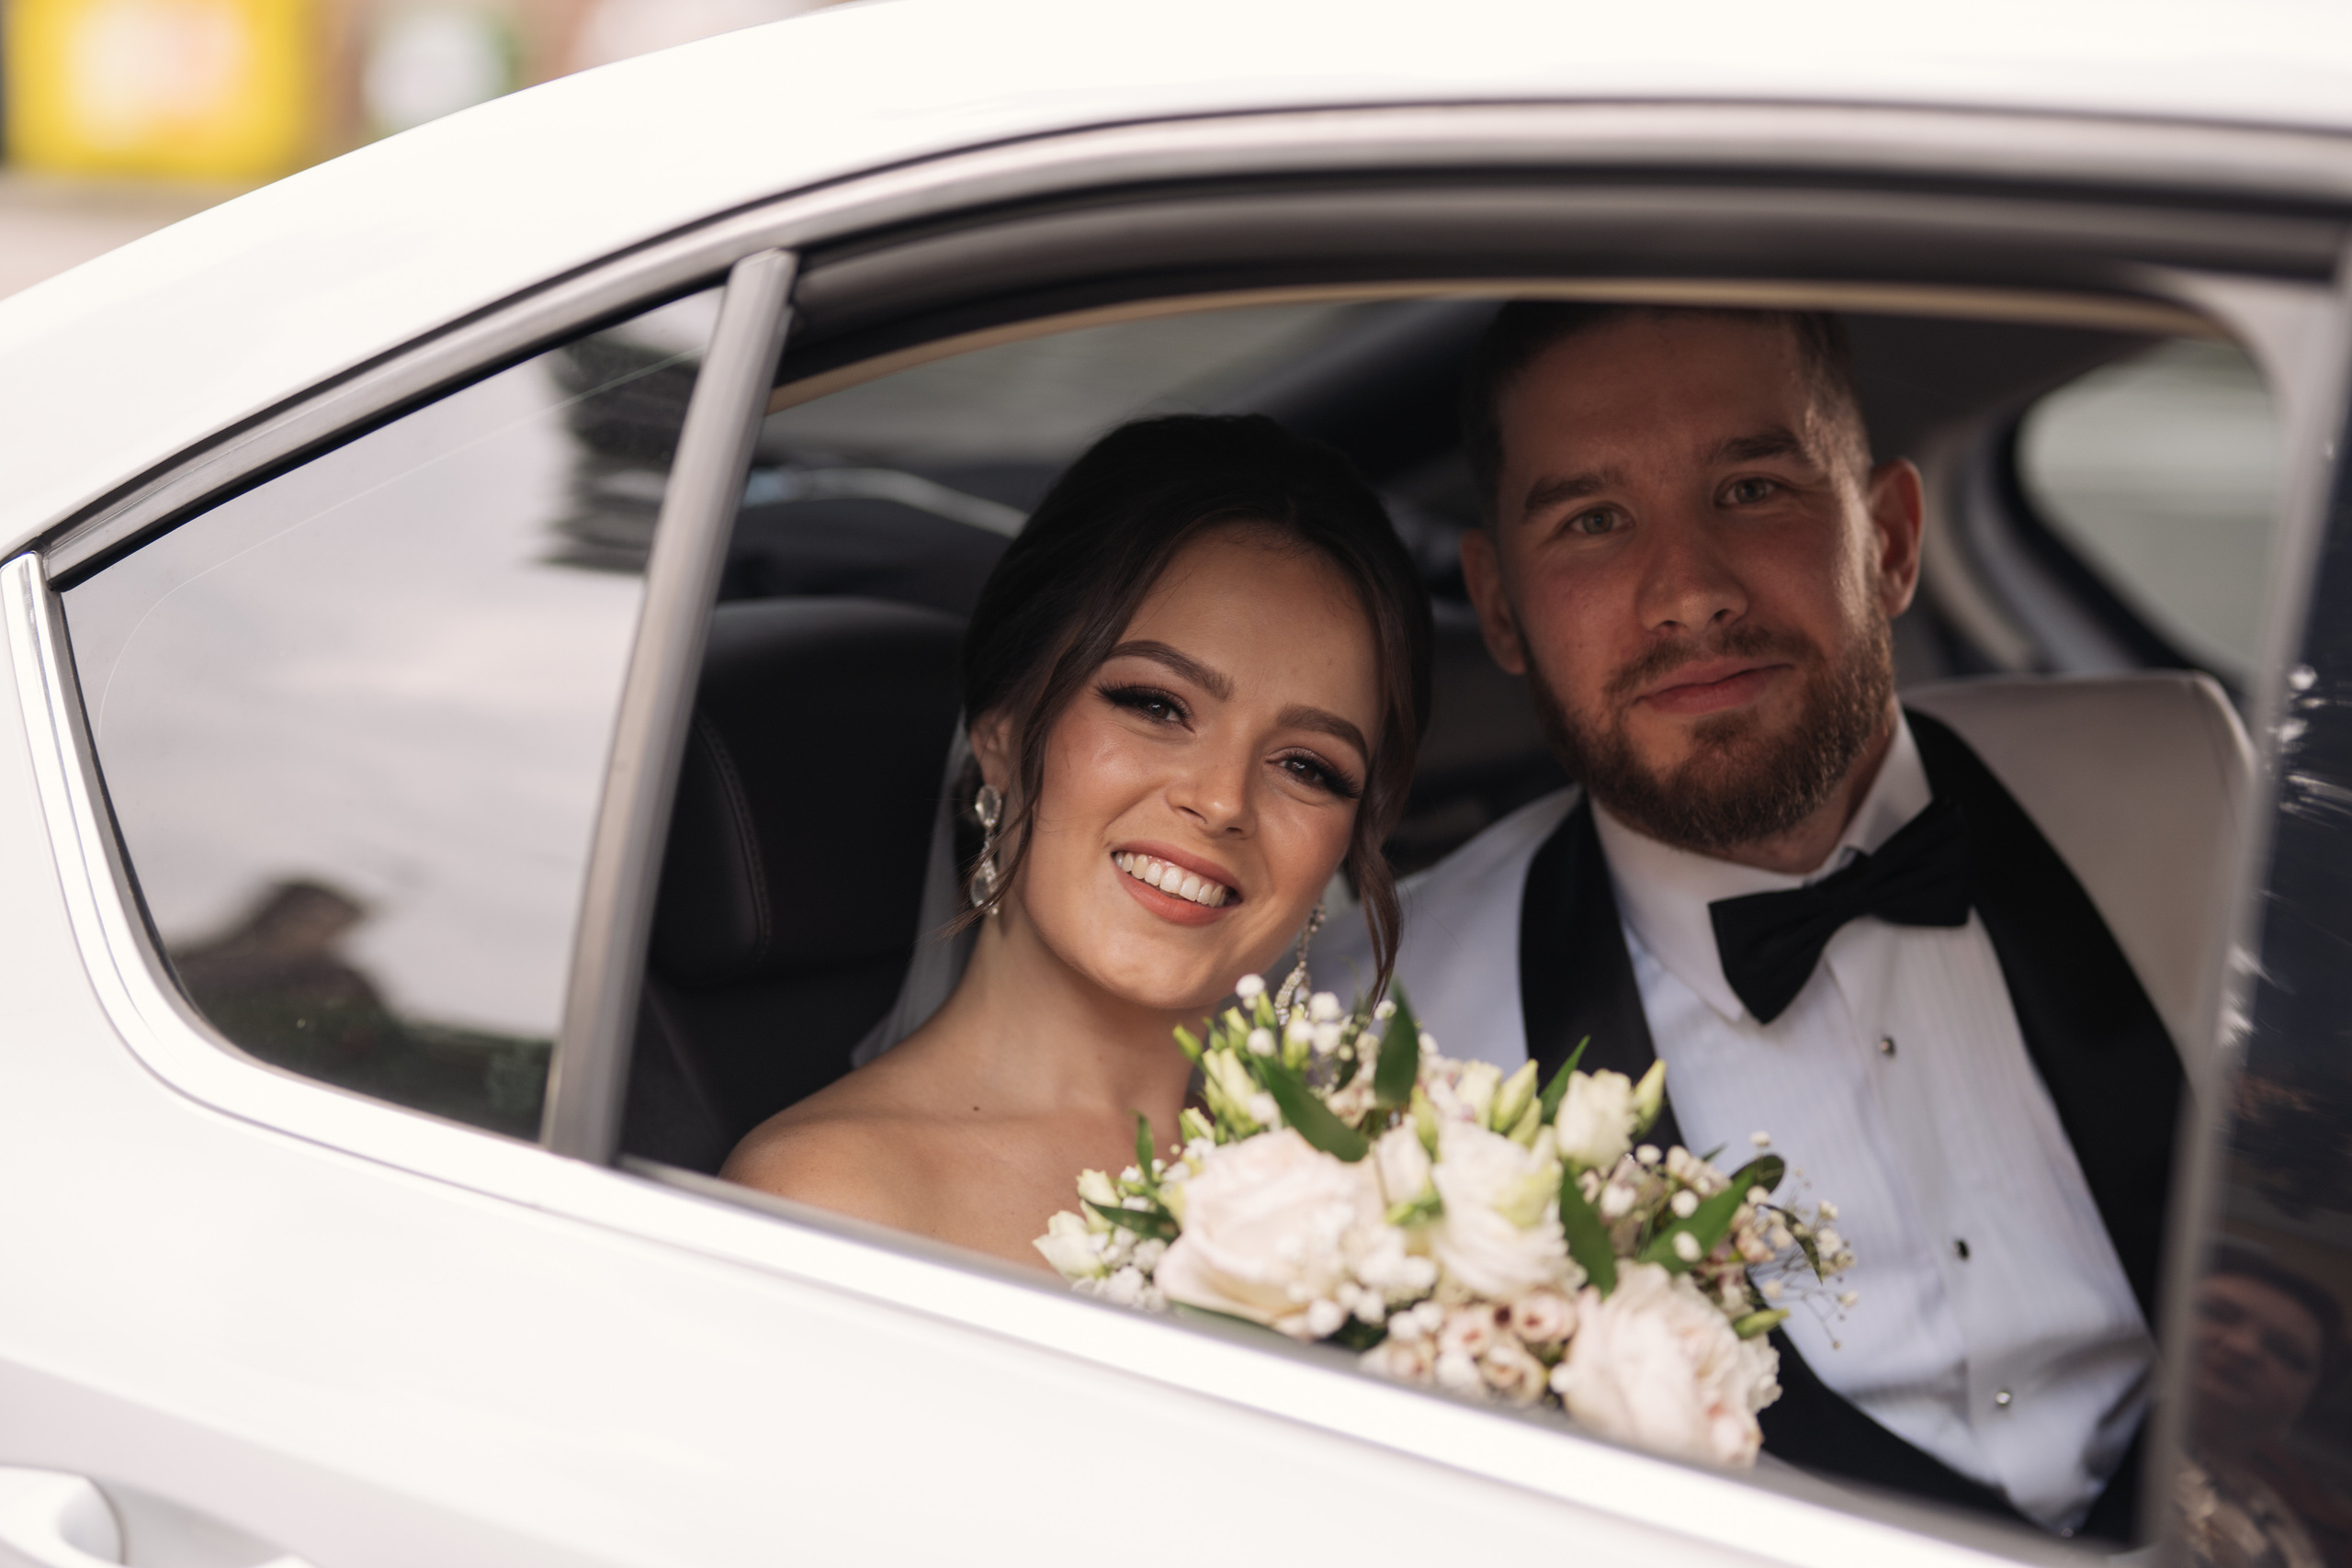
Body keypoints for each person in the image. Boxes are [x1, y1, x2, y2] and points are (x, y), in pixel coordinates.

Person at [1317, 302, 2188, 1539]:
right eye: (1594, 521)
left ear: (1887, 537)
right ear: (1501, 610)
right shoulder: (1383, 1036)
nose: (1689, 592)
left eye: (1752, 489)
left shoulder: (2186, 783)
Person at [723, 415, 1432, 1268]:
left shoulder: (1389, 1181)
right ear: (1002, 724)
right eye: (1156, 704)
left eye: (1308, 766)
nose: (1219, 799)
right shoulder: (830, 1201)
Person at [2180, 1247, 2350, 1568]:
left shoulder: (2282, 1522)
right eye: (2213, 1312)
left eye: (2287, 1354)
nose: (2243, 1348)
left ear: (2305, 1400)